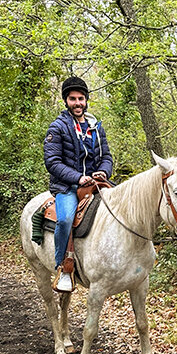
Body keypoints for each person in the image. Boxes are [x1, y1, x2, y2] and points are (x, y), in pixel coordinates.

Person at [44, 76, 113, 292]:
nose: (78, 103)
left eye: (81, 98)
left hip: (96, 183)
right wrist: (77, 178)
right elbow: (52, 162)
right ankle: (63, 268)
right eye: (73, 99)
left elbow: (107, 157)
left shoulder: (95, 126)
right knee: (65, 220)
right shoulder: (58, 128)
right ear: (66, 101)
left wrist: (103, 171)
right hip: (67, 186)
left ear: (86, 100)